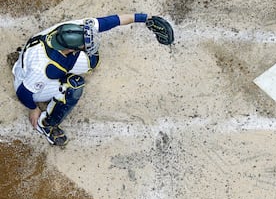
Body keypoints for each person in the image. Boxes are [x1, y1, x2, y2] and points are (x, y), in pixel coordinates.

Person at [12, 13, 171, 146]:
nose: (87, 45)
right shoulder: (47, 68)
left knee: (90, 61)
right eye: (82, 46)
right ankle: (47, 124)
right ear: (70, 50)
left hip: (29, 60)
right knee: (74, 86)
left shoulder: (67, 30)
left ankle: (21, 63)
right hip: (29, 84)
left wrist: (143, 18)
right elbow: (23, 92)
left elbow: (109, 21)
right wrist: (33, 109)